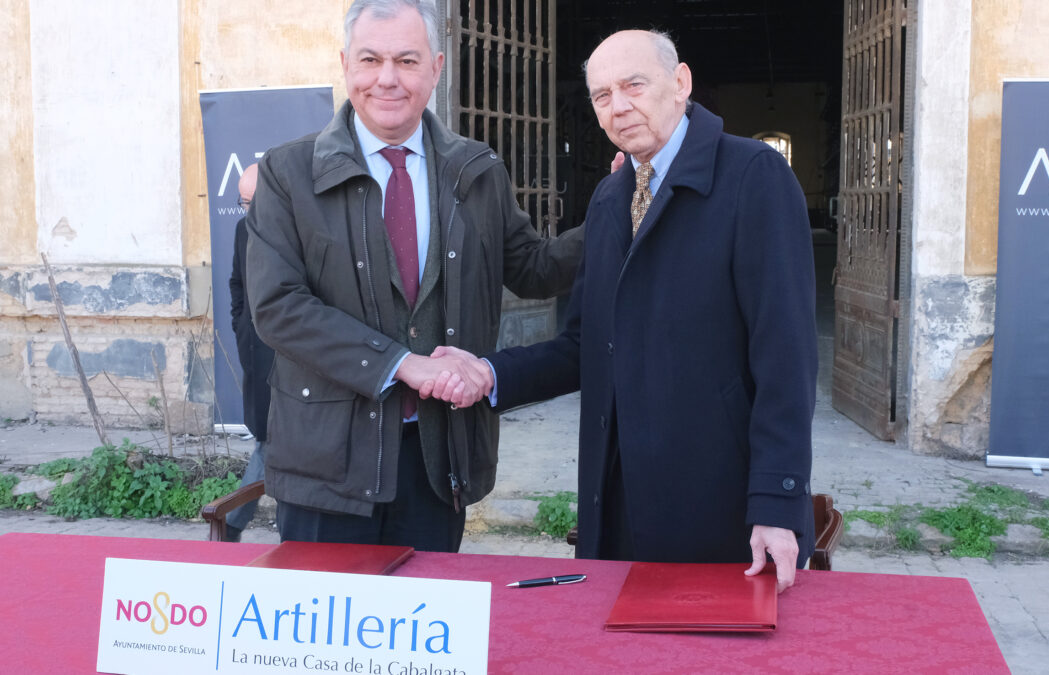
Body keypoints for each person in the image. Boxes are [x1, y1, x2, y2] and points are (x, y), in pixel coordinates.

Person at [433, 29, 817, 592]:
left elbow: (786, 356)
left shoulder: (753, 177)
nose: (619, 106)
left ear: (680, 82)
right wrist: (490, 374)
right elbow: (584, 343)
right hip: (614, 496)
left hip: (715, 497)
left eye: (634, 85)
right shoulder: (612, 198)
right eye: (601, 95)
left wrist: (777, 501)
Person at [244, 0, 582, 552]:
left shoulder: (477, 171)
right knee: (325, 632)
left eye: (406, 60)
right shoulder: (288, 173)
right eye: (370, 59)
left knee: (423, 627)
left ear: (437, 67)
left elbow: (533, 268)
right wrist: (404, 365)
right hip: (327, 466)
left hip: (436, 458)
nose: (387, 79)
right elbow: (279, 307)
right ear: (345, 64)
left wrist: (624, 209)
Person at [225, 163, 272, 542]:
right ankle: (231, 522)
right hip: (258, 355)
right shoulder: (243, 230)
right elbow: (237, 285)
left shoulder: (301, 228)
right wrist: (242, 328)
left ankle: (231, 522)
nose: (249, 210)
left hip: (297, 359)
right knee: (267, 440)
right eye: (243, 202)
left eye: (255, 201)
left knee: (273, 443)